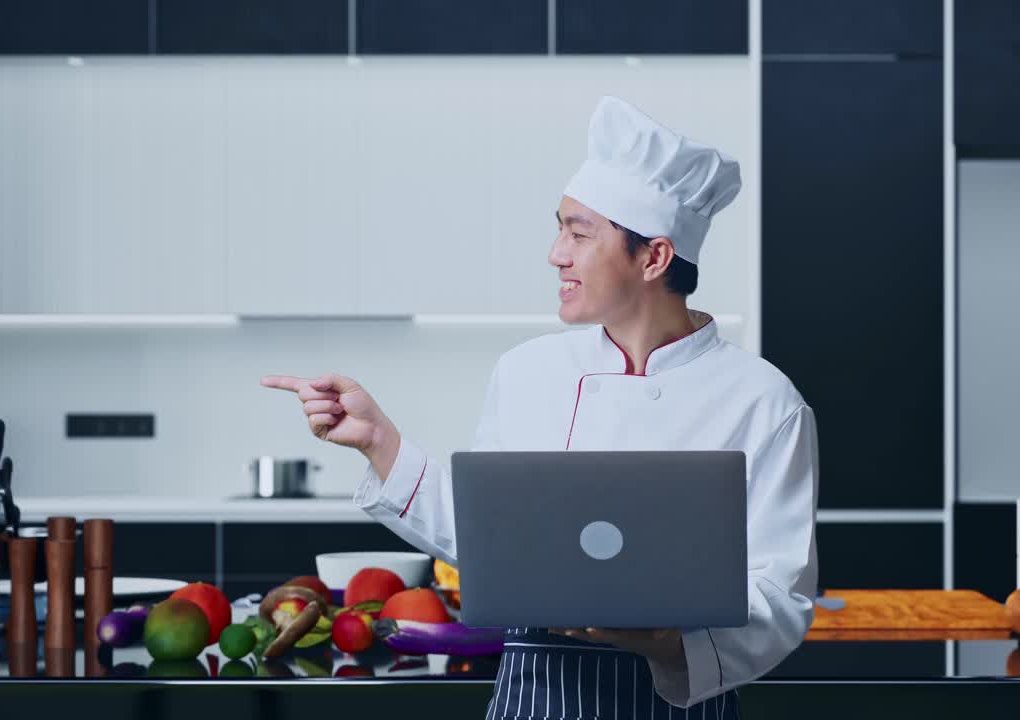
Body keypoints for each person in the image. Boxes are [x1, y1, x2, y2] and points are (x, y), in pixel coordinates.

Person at [263, 96, 819, 718]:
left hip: (678, 700)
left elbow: (780, 597)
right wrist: (378, 442)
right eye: (560, 229)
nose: (556, 253)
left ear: (654, 257)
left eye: (579, 233)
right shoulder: (528, 372)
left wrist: (666, 641)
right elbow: (491, 544)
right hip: (535, 696)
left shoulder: (763, 401)